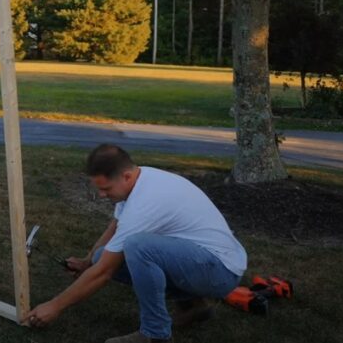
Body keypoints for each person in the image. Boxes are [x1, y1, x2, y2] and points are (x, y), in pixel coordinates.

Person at [22, 144, 246, 343]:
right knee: (102, 256)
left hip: (220, 271)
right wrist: (87, 261)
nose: (101, 195)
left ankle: (155, 334)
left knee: (138, 247)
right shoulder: (140, 179)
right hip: (202, 261)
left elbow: (104, 273)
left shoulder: (147, 201)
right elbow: (115, 227)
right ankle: (193, 306)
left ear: (126, 176)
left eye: (106, 189)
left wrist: (55, 306)